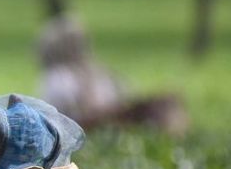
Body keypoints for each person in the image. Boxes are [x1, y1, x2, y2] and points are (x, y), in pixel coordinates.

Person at [39, 16, 188, 135]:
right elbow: (67, 117)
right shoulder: (58, 77)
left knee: (166, 101)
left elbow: (125, 93)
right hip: (95, 123)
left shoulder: (93, 69)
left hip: (114, 114)